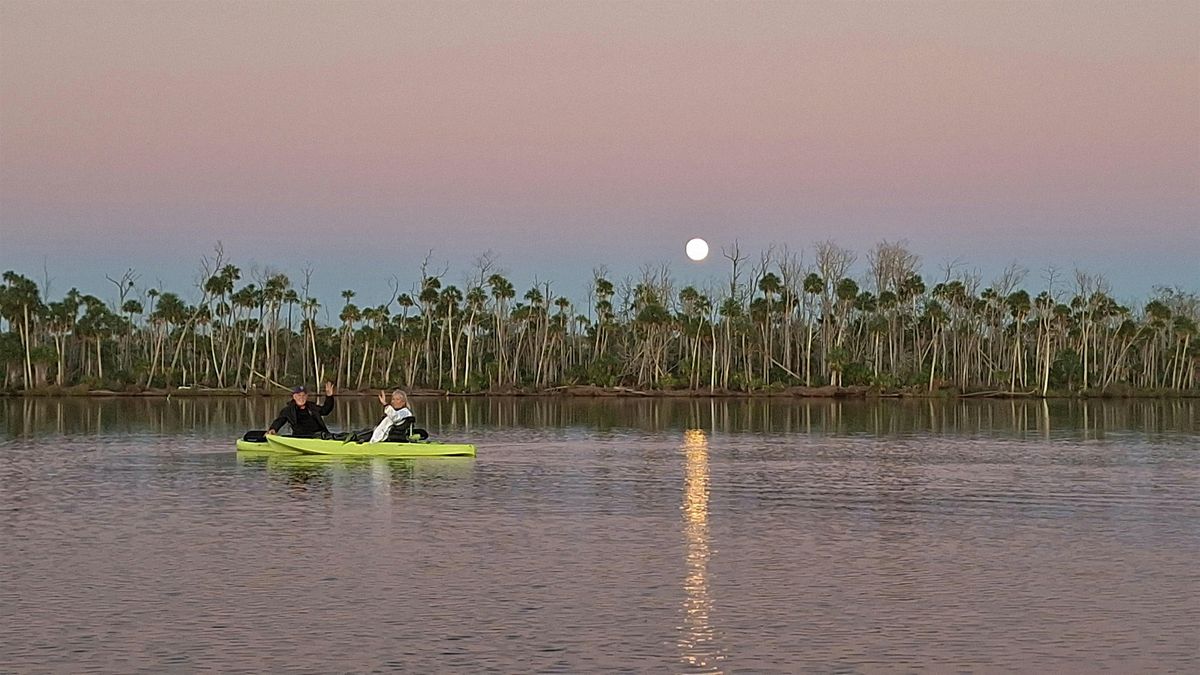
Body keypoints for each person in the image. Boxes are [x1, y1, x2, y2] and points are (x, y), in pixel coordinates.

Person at [267, 381, 336, 438]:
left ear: (306, 396)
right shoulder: (288, 410)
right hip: (301, 437)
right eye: (299, 395)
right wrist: (273, 429)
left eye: (303, 395)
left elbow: (325, 410)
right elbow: (279, 421)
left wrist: (329, 396)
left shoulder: (312, 407)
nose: (301, 398)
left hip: (319, 436)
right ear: (294, 397)